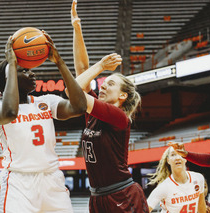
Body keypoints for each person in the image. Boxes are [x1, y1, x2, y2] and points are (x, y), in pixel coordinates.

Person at [0, 32, 87, 213]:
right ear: (9, 77)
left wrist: (59, 62)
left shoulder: (46, 101)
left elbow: (79, 107)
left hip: (51, 180)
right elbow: (10, 112)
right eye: (23, 70)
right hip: (19, 182)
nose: (31, 72)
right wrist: (11, 64)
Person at [70, 1, 149, 212]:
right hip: (97, 197)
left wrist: (101, 67)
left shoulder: (118, 116)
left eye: (110, 84)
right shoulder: (94, 113)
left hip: (122, 195)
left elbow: (73, 91)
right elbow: (82, 71)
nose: (104, 86)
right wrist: (77, 28)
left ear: (123, 95)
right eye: (105, 82)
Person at [147, 147, 207, 213]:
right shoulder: (163, 187)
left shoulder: (198, 178)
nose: (177, 158)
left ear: (186, 158)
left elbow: (201, 208)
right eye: (173, 155)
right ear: (168, 160)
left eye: (180, 154)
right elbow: (144, 210)